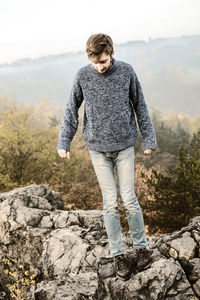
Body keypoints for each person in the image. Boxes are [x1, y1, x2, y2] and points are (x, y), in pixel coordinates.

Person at [57, 33, 157, 281]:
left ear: (111, 52)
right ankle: (117, 255)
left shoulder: (126, 71)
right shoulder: (82, 76)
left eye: (103, 61)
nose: (99, 67)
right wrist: (64, 141)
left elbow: (140, 105)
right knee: (110, 202)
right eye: (95, 63)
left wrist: (149, 138)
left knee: (129, 199)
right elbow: (72, 108)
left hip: (124, 146)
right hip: (97, 148)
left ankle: (141, 248)